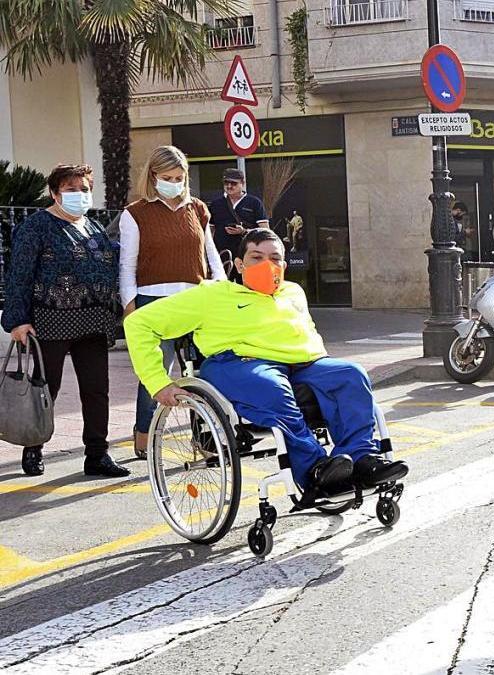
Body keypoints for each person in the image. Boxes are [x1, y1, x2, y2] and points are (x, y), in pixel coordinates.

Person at [123, 229, 409, 495]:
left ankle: (362, 460)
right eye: (256, 258)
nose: (267, 265)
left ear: (284, 265)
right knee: (270, 385)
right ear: (239, 264)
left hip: (302, 364)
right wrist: (157, 383)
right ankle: (315, 469)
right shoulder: (212, 294)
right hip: (238, 363)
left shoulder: (293, 292)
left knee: (351, 373)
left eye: (275, 259)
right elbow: (139, 323)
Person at [1, 164, 128, 478]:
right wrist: (17, 321)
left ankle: (97, 455)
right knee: (46, 389)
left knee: (97, 390)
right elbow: (18, 275)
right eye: (72, 189)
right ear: (55, 193)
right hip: (50, 322)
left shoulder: (95, 227)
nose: (80, 195)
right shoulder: (35, 227)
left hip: (93, 324)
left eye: (84, 189)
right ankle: (34, 447)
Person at [119, 145, 227, 459]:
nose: (175, 182)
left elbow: (211, 255)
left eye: (180, 177)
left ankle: (204, 438)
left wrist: (220, 289)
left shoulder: (198, 208)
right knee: (156, 373)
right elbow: (127, 264)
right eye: (168, 177)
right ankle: (145, 434)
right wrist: (130, 305)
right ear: (153, 176)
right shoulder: (135, 213)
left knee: (203, 372)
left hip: (196, 300)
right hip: (154, 303)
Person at [208, 168, 269, 274]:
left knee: (247, 286)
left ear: (243, 183)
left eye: (233, 183)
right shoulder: (216, 204)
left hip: (247, 255)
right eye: (226, 183)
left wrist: (244, 231)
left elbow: (265, 231)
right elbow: (210, 231)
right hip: (223, 256)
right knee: (224, 287)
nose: (229, 186)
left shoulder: (254, 203)